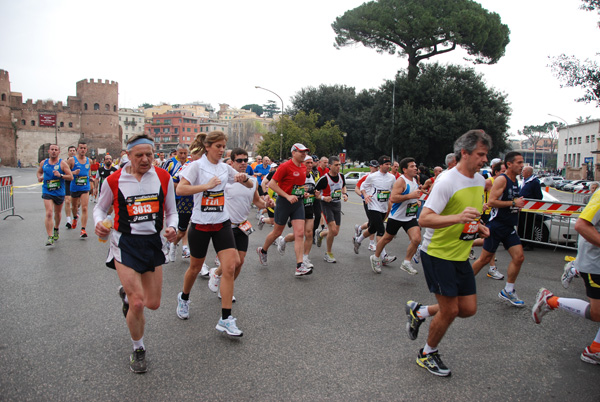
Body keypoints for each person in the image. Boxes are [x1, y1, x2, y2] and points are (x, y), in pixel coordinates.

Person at [405, 129, 491, 377]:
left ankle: (419, 311)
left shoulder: (478, 180)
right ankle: (426, 354)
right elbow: (424, 218)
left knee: (468, 308)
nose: (485, 160)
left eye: (486, 155)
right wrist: (459, 218)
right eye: (480, 154)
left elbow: (466, 215)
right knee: (451, 310)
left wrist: (478, 226)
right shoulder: (446, 181)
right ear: (464, 153)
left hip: (460, 253)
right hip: (438, 253)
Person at [94, 134, 178, 374]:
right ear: (128, 155)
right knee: (139, 303)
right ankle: (138, 349)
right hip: (125, 243)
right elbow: (100, 208)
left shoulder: (163, 177)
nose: (145, 159)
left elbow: (171, 212)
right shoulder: (114, 179)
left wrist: (172, 227)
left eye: (149, 154)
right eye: (139, 155)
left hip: (152, 243)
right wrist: (99, 222)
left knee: (152, 303)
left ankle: (127, 297)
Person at [175, 131, 252, 337]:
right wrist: (205, 186)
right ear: (208, 147)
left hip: (221, 224)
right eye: (218, 146)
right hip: (200, 224)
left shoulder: (225, 167)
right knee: (194, 268)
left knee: (230, 266)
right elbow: (181, 190)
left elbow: (251, 185)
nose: (221, 150)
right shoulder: (196, 166)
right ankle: (184, 297)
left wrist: (243, 178)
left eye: (223, 146)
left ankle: (226, 319)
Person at [531, 187, 600, 365]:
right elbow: (581, 225)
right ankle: (550, 300)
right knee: (597, 313)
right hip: (595, 264)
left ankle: (595, 350)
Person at [208, 148, 273, 299]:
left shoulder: (252, 181)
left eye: (245, 160)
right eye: (239, 160)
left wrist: (268, 204)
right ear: (231, 162)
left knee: (240, 262)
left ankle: (225, 289)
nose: (243, 163)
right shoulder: (224, 181)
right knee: (233, 261)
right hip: (226, 227)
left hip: (243, 226)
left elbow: (257, 201)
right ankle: (217, 273)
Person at [471, 152, 526, 306]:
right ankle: (461, 285)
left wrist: (516, 205)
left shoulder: (516, 181)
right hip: (496, 226)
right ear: (509, 164)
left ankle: (508, 290)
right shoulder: (502, 179)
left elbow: (511, 201)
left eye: (522, 163)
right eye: (519, 162)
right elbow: (492, 202)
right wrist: (513, 204)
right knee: (484, 259)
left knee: (519, 257)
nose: (522, 165)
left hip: (509, 227)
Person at [257, 143, 313, 276]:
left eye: (305, 152)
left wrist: (302, 193)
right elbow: (272, 184)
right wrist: (287, 196)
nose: (304, 154)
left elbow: (297, 185)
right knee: (277, 232)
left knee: (300, 233)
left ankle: (299, 266)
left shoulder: (304, 167)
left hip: (298, 203)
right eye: (301, 152)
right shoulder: (285, 166)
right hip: (283, 202)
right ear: (293, 152)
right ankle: (263, 250)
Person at [370, 157, 421, 275]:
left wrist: (415, 200)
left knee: (417, 239)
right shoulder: (401, 181)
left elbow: (412, 195)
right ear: (405, 170)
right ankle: (376, 257)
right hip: (397, 216)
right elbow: (393, 198)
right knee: (387, 238)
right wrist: (410, 196)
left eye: (415, 166)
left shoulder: (415, 179)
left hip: (409, 216)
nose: (415, 168)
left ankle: (407, 262)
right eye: (412, 166)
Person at [274, 154, 318, 268]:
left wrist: (317, 194)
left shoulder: (313, 175)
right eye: (307, 162)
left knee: (309, 233)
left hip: (309, 206)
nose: (309, 165)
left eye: (311, 163)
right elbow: (279, 185)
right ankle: (283, 240)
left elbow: (316, 190)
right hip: (297, 206)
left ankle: (304, 259)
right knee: (299, 234)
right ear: (301, 163)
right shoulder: (295, 173)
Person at [352, 155, 396, 255]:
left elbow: (395, 189)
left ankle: (358, 240)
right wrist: (365, 195)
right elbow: (362, 186)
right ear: (381, 165)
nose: (388, 166)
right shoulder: (371, 177)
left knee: (372, 228)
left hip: (383, 207)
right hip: (372, 206)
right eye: (386, 164)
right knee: (381, 230)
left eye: (390, 164)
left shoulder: (392, 178)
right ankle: (383, 255)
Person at [37, 144, 73, 246]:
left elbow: (70, 177)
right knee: (49, 213)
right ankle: (50, 236)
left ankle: (56, 228)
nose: (53, 151)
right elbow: (39, 172)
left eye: (56, 150)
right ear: (49, 151)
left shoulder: (63, 164)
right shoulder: (44, 163)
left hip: (59, 192)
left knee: (57, 213)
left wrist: (60, 175)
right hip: (47, 191)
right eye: (52, 149)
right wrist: (39, 177)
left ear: (59, 152)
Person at [314, 155, 348, 263]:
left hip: (337, 205)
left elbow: (343, 186)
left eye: (339, 165)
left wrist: (345, 194)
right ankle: (328, 253)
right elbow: (315, 194)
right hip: (326, 205)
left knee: (335, 232)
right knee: (332, 230)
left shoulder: (341, 176)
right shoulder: (323, 179)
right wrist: (323, 197)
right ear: (330, 166)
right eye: (336, 165)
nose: (338, 167)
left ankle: (321, 233)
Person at [164, 144, 191, 262]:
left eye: (185, 153)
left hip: (185, 197)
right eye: (181, 153)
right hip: (172, 196)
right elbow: (164, 178)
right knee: (176, 222)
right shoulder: (170, 163)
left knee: (184, 224)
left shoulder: (189, 163)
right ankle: (170, 242)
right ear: (177, 152)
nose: (183, 156)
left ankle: (184, 247)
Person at [353, 161, 379, 251]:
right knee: (373, 223)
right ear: (370, 167)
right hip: (368, 202)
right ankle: (371, 243)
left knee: (372, 222)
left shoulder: (380, 177)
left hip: (378, 202)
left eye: (377, 167)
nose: (376, 169)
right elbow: (356, 188)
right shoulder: (366, 177)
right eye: (375, 167)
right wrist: (363, 195)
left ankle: (359, 228)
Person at [68, 141, 92, 238]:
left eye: (84, 148)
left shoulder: (89, 161)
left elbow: (89, 172)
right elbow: (66, 172)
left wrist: (91, 181)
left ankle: (83, 229)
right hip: (74, 187)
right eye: (81, 148)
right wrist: (73, 172)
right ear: (78, 149)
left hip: (85, 187)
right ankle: (74, 217)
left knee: (85, 207)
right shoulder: (71, 160)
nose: (82, 150)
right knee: (74, 207)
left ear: (86, 150)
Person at [64, 145, 77, 229]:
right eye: (70, 150)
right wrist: (73, 172)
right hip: (68, 182)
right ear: (68, 152)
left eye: (73, 150)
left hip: (76, 183)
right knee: (67, 201)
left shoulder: (79, 161)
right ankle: (68, 220)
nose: (72, 152)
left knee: (76, 204)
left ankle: (75, 213)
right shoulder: (64, 162)